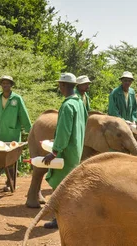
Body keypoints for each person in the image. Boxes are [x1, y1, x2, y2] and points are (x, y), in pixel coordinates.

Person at [42, 73, 86, 229]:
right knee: (69, 185)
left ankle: (60, 219)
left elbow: (64, 131)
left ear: (63, 86)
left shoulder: (68, 105)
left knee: (60, 186)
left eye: (60, 85)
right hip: (75, 149)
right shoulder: (79, 103)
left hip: (66, 152)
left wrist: (54, 151)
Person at [0, 75, 32, 192]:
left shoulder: (16, 99)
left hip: (11, 133)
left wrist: (30, 131)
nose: (5, 85)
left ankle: (10, 182)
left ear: (11, 85)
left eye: (7, 83)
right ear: (1, 85)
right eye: (3, 83)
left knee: (11, 159)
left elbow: (23, 115)